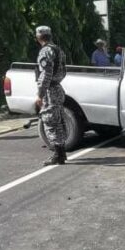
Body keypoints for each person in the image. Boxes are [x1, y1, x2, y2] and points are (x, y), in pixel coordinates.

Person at [35, 26, 68, 166]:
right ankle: (61, 153)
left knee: (50, 122)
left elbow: (46, 74)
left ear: (38, 37)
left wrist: (40, 94)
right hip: (58, 88)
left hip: (50, 91)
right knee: (58, 121)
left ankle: (58, 155)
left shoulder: (45, 51)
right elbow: (64, 70)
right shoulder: (58, 49)